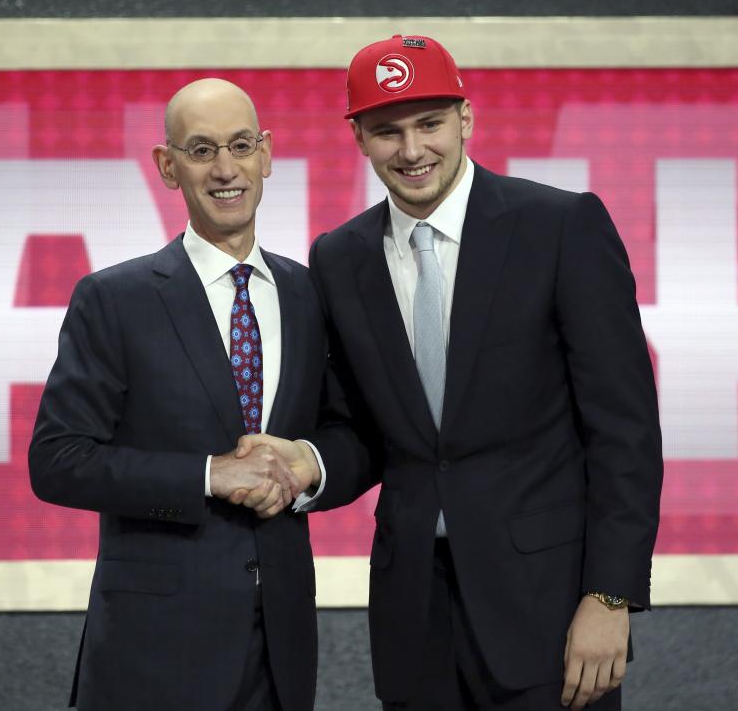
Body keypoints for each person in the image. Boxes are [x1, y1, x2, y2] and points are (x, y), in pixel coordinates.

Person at [238, 35, 664, 710]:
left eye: (429, 123)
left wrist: (609, 597)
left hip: (549, 614)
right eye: (387, 131)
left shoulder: (560, 227)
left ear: (465, 118)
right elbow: (363, 431)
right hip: (414, 621)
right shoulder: (340, 258)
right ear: (358, 138)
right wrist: (308, 463)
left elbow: (625, 432)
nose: (411, 151)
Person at [28, 78, 326, 711]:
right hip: (152, 652)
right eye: (200, 149)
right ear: (168, 166)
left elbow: (356, 435)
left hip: (281, 646)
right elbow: (57, 460)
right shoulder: (116, 299)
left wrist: (311, 463)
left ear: (266, 154)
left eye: (241, 145)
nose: (226, 169)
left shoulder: (311, 295)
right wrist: (207, 475)